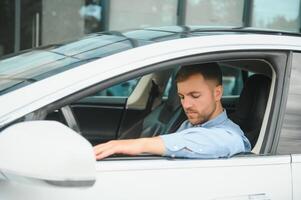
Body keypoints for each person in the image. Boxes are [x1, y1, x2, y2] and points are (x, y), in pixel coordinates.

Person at [94, 63, 251, 160]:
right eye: (182, 96)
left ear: (217, 93)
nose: (186, 104)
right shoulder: (188, 124)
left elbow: (205, 142)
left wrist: (136, 145)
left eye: (194, 96)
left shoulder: (231, 136)